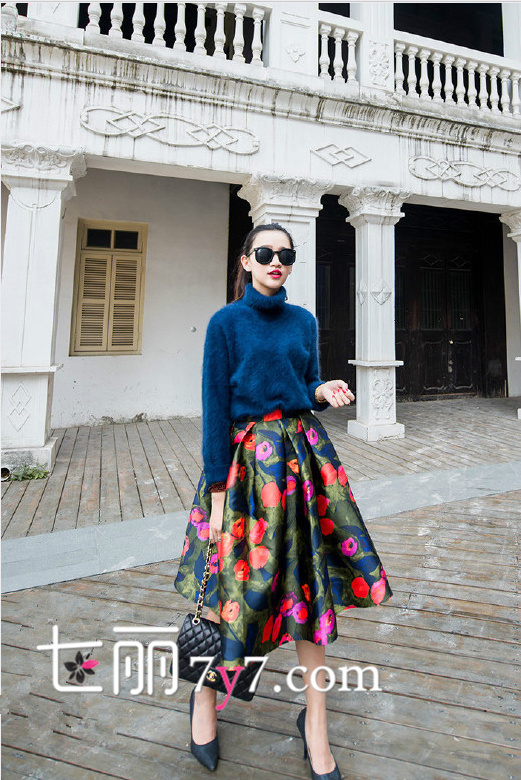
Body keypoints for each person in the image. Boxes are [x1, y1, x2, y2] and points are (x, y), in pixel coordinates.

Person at [173, 223, 393, 778]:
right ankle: (205, 698)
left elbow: (306, 385)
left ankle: (315, 724)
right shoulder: (225, 323)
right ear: (246, 261)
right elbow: (214, 409)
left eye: (286, 254)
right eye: (266, 252)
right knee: (228, 588)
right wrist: (217, 493)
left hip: (303, 466)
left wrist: (323, 390)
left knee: (308, 590)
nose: (276, 261)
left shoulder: (304, 321)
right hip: (246, 472)